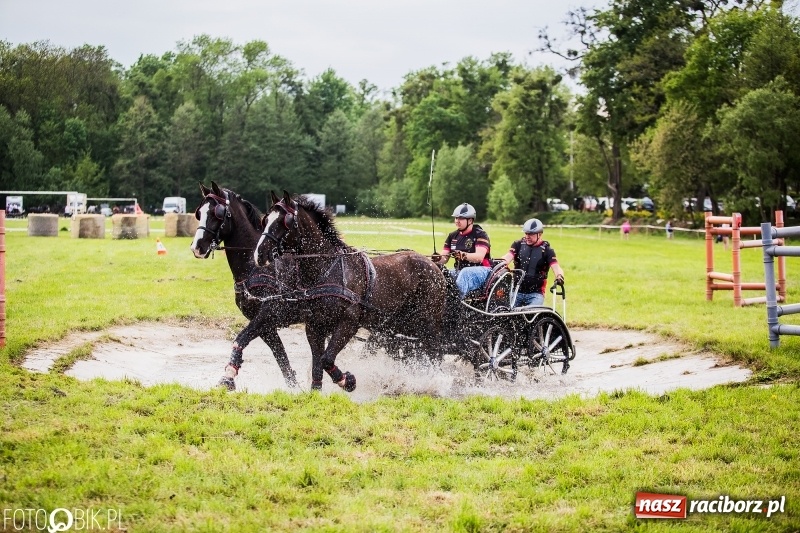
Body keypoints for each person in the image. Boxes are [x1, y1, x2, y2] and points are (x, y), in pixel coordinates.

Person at [500, 218, 564, 308]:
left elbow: (556, 267)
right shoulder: (517, 245)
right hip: (516, 291)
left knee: (529, 315)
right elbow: (507, 257)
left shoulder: (548, 251)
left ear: (540, 234)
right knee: (505, 312)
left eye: (531, 234)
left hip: (536, 294)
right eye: (526, 233)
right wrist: (498, 263)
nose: (527, 236)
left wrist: (559, 276)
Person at [433, 203, 492, 298]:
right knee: (440, 272)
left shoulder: (480, 234)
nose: (457, 221)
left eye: (460, 218)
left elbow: (479, 257)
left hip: (483, 271)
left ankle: (456, 304)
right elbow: (444, 259)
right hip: (459, 270)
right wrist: (437, 258)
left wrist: (463, 255)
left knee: (465, 273)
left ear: (470, 220)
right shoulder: (452, 236)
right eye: (456, 218)